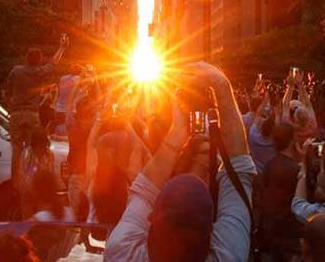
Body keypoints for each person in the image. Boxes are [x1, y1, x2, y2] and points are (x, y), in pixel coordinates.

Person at [105, 62, 255, 262]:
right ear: (212, 230)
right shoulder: (228, 256)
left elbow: (144, 191)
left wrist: (177, 132)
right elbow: (239, 171)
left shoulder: (122, 253)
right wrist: (221, 86)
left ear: (150, 219)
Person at [6, 34, 69, 180]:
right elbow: (54, 63)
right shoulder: (39, 72)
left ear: (26, 58)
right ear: (39, 59)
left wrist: (12, 108)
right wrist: (62, 47)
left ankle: (15, 181)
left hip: (16, 114)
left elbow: (7, 92)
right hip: (32, 114)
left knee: (16, 149)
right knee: (31, 148)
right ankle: (30, 179)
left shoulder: (16, 71)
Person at [259, 123, 303, 261]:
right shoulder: (296, 170)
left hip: (270, 230)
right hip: (289, 234)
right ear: (292, 140)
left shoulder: (269, 165)